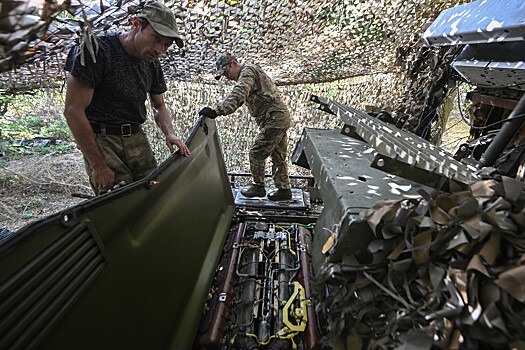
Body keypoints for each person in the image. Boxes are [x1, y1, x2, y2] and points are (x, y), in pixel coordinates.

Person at [63, 1, 190, 195]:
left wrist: (169, 133)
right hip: (102, 140)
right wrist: (98, 165)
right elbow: (73, 111)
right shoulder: (97, 51)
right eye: (155, 38)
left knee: (154, 193)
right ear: (136, 23)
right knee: (120, 203)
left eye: (166, 45)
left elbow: (159, 104)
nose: (159, 49)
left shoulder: (151, 63)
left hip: (135, 137)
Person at [199, 53, 292, 201]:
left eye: (227, 73)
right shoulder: (248, 72)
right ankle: (284, 189)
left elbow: (239, 92)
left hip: (274, 119)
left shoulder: (247, 72)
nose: (227, 77)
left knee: (256, 153)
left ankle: (258, 186)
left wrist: (217, 111)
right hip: (277, 118)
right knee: (278, 156)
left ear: (234, 63)